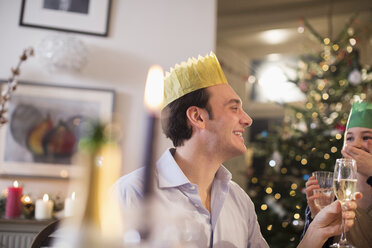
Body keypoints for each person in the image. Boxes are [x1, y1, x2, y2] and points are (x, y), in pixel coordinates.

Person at [112, 52, 359, 247]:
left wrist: (316, 231)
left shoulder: (238, 200)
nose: (247, 119)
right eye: (234, 108)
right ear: (197, 117)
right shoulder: (129, 195)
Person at [303, 100, 372, 248]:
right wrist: (317, 219)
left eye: (367, 137)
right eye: (349, 138)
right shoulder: (330, 195)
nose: (356, 144)